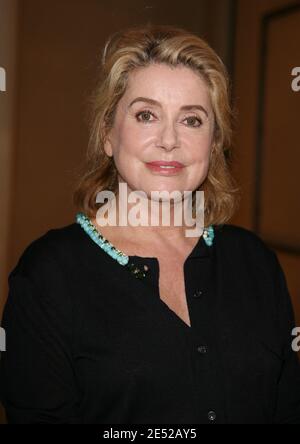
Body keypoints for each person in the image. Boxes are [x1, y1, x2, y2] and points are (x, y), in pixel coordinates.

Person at [0, 24, 300, 424]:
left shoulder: (255, 262)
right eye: (146, 115)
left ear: (214, 143)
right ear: (108, 133)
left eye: (192, 120)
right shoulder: (48, 276)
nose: (169, 140)